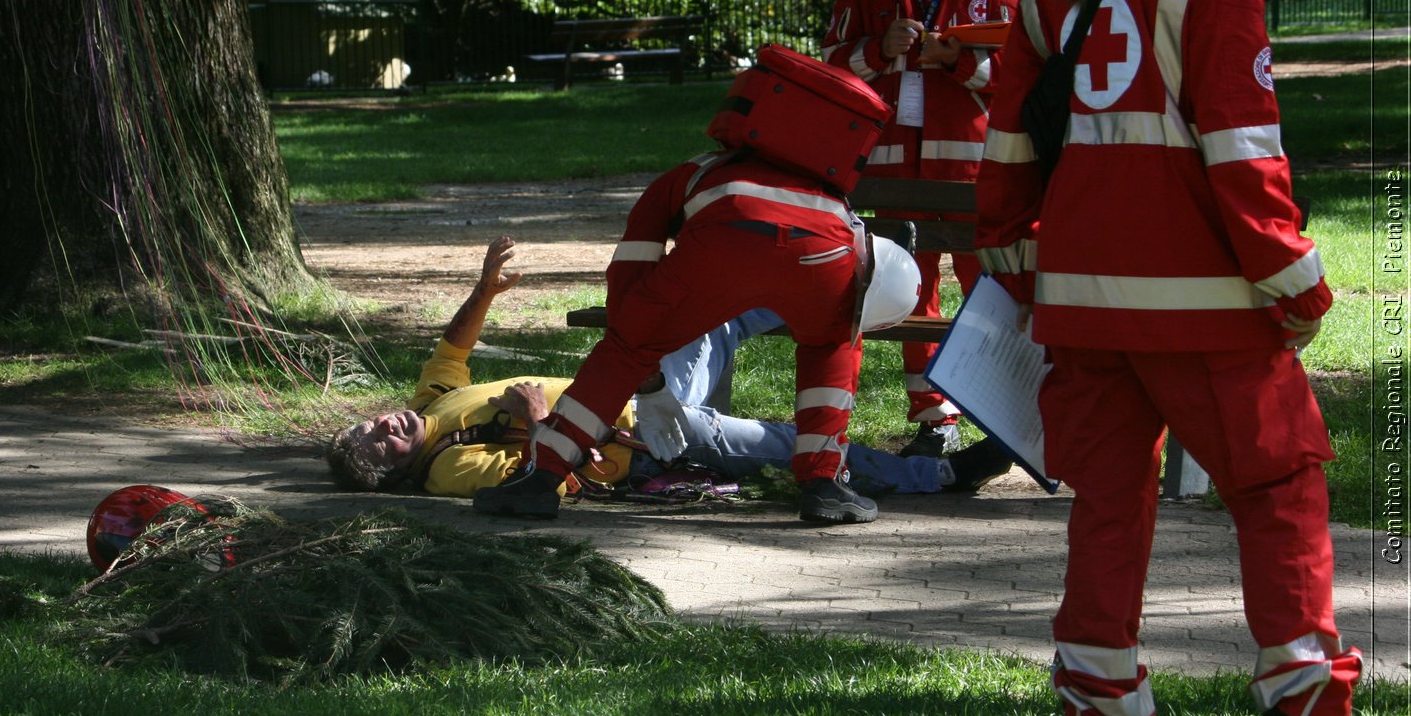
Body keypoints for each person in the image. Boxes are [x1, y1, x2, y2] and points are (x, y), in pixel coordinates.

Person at [974, 0, 1408, 716]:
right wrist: (1294, 280)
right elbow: (1242, 146)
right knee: (1281, 489)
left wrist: (1013, 248)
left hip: (1083, 300)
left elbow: (1007, 142)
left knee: (1109, 507)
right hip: (1202, 303)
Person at [471, 45, 943, 525]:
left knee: (622, 352)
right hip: (824, 260)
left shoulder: (697, 171)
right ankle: (823, 485)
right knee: (833, 349)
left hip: (725, 240)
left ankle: (540, 478)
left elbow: (633, 267)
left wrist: (639, 355)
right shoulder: (839, 213)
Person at [328, 235, 1011, 500]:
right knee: (787, 444)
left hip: (650, 379)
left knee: (720, 312)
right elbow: (552, 483)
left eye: (368, 422)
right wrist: (536, 417)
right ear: (395, 470)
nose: (384, 422)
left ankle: (846, 297)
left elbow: (451, 352)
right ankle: (943, 474)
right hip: (653, 436)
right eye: (378, 441)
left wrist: (485, 291)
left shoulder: (431, 405)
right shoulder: (447, 468)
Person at [822, 0, 1022, 458]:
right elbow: (830, 62)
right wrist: (879, 50)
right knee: (910, 289)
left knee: (992, 288)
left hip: (968, 167)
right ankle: (935, 420)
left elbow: (1021, 74)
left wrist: (956, 60)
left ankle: (1006, 417)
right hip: (889, 167)